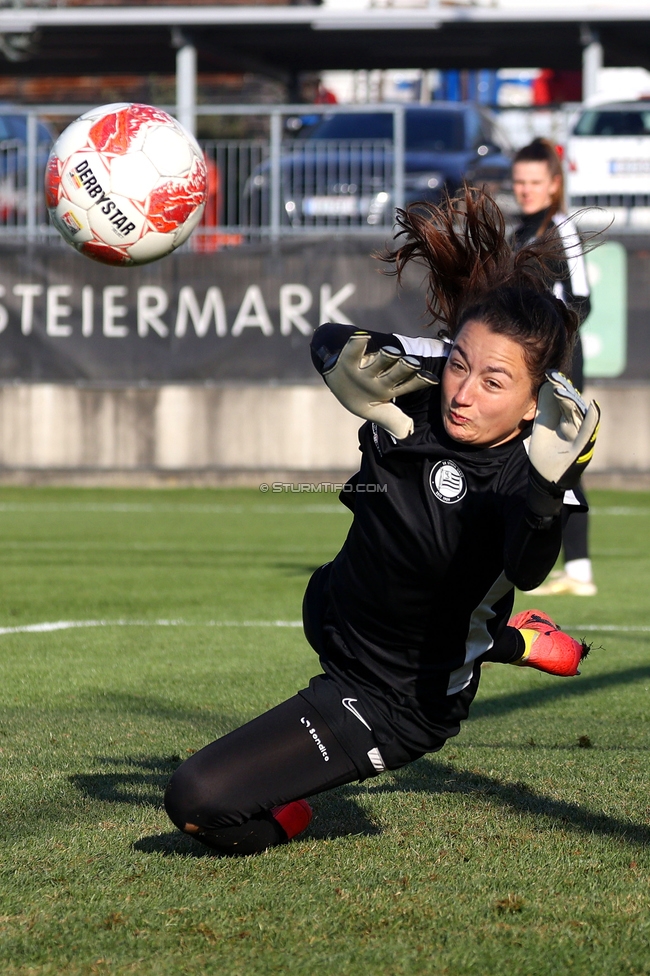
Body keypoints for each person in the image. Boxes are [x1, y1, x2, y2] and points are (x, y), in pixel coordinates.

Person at [163, 188, 599, 856]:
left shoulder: (521, 474)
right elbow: (330, 344)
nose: (463, 392)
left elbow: (528, 567)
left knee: (195, 801)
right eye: (459, 363)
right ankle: (508, 640)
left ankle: (288, 814)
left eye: (493, 382)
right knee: (320, 594)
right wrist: (426, 365)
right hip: (339, 611)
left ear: (532, 405)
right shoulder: (418, 397)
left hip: (394, 699)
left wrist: (548, 491)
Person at [512, 138, 596, 596]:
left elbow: (582, 301)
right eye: (520, 181)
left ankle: (579, 569)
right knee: (524, 461)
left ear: (554, 184)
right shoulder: (518, 234)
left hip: (559, 364)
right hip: (526, 366)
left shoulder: (561, 228)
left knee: (564, 462)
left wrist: (551, 348)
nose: (525, 190)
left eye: (534, 182)